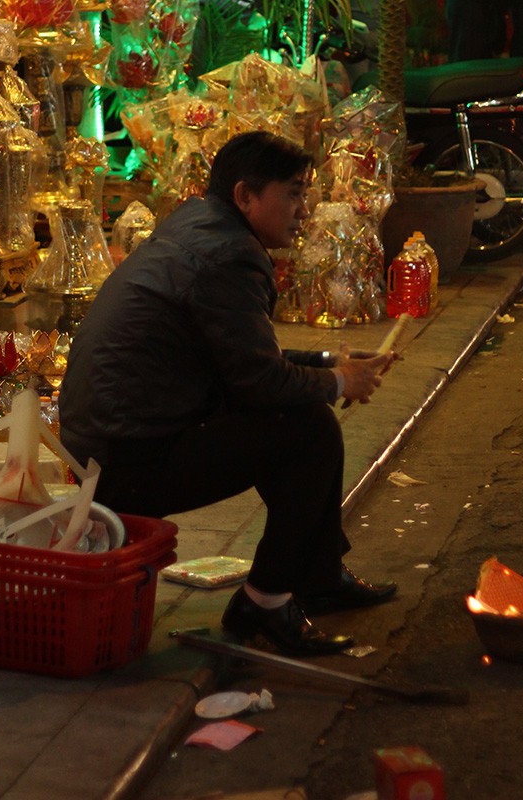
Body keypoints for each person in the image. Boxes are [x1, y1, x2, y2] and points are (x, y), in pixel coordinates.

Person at [59, 130, 398, 657]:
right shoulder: (230, 254)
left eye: (304, 194)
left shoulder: (201, 226)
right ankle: (264, 603)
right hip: (128, 461)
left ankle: (319, 576)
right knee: (309, 429)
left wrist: (334, 364)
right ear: (244, 196)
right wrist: (336, 384)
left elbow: (241, 359)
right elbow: (258, 383)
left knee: (301, 413)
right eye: (292, 194)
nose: (303, 210)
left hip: (106, 446)